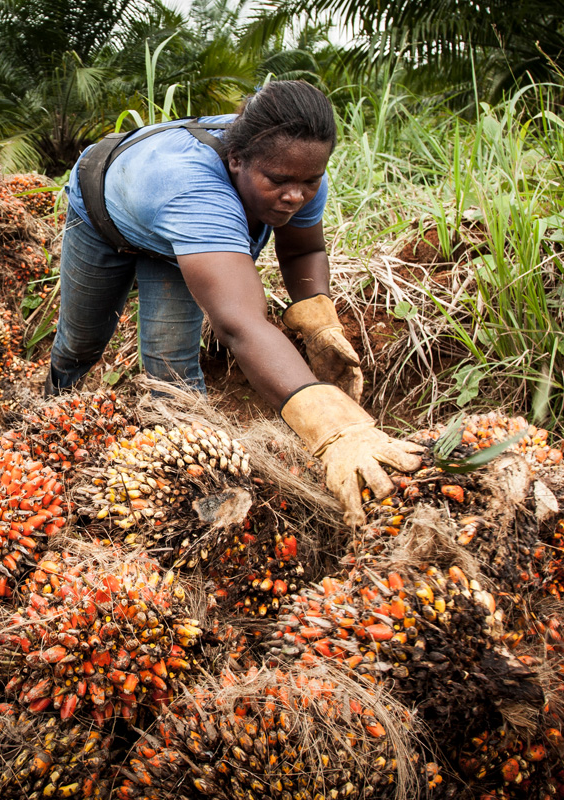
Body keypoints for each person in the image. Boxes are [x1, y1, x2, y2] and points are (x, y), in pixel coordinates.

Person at [48, 80, 422, 526]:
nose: (296, 196)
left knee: (172, 371)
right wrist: (331, 428)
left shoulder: (293, 166)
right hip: (103, 214)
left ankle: (185, 485)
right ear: (236, 159)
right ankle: (48, 417)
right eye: (280, 182)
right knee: (81, 343)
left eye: (310, 181)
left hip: (180, 239)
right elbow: (240, 324)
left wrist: (320, 324)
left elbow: (303, 250)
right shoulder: (192, 190)